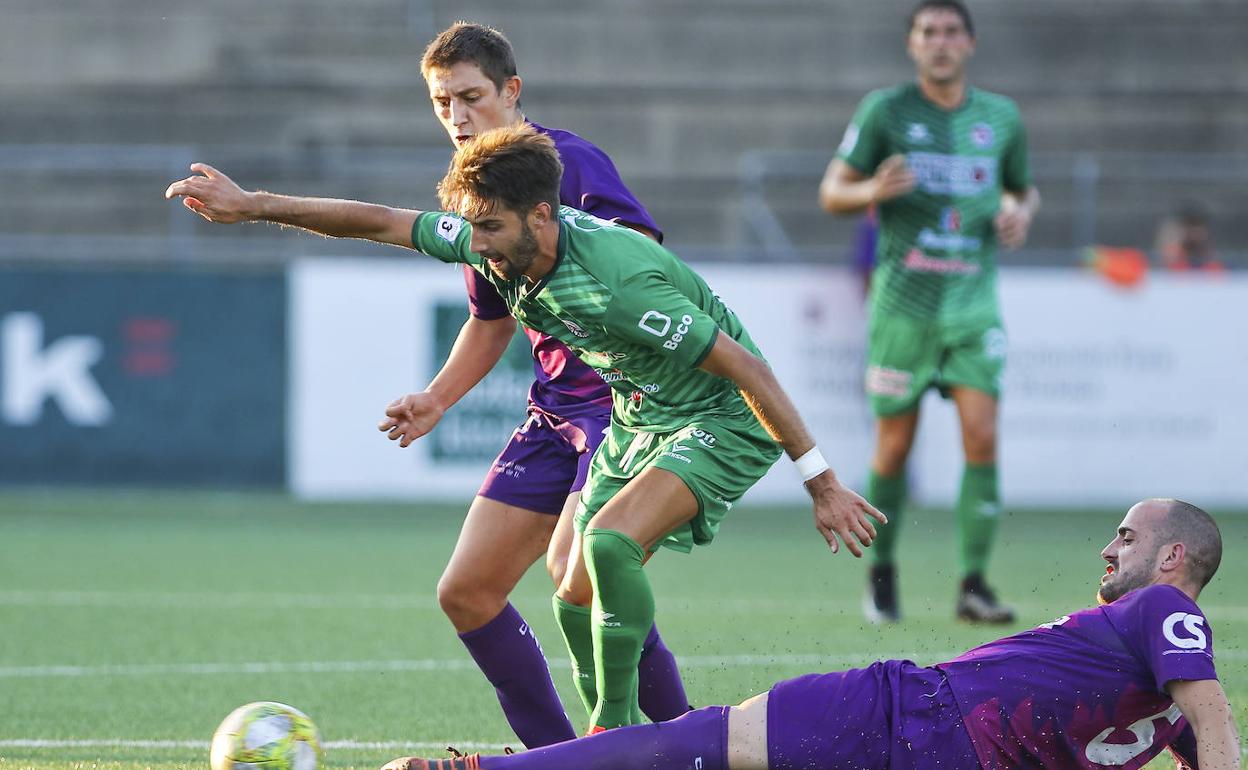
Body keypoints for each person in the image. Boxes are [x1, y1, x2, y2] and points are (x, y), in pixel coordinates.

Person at [164, 124, 885, 732]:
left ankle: (613, 733)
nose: (476, 246)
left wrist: (820, 481)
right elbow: (379, 220)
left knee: (608, 544)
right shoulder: (492, 235)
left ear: (542, 215)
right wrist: (253, 204)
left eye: (490, 229)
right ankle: (620, 736)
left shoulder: (617, 281)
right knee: (571, 589)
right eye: (470, 228)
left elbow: (750, 371)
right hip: (641, 415)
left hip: (721, 418)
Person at [378, 497, 1237, 770]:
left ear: (1173, 559)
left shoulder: (1167, 614)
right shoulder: (1162, 668)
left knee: (694, 743)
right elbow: (1208, 736)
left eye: (1126, 536)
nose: (1106, 545)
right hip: (926, 726)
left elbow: (1216, 725)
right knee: (699, 745)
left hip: (918, 718)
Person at [399, 22, 691, 746]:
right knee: (466, 593)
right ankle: (557, 759)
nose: (458, 117)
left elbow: (642, 266)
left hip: (626, 408)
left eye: (471, 97)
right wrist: (437, 397)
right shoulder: (475, 195)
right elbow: (490, 321)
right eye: (442, 103)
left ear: (512, 92)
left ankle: (688, 743)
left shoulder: (571, 165)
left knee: (583, 580)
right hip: (555, 411)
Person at [818, 0, 1042, 624]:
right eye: (928, 33)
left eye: (950, 32)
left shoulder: (1000, 117)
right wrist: (872, 190)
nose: (940, 43)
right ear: (913, 46)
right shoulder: (885, 111)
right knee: (893, 450)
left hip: (972, 305)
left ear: (969, 43)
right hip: (903, 310)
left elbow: (1022, 188)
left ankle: (973, 583)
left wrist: (1020, 211)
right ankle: (882, 569)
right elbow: (832, 190)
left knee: (983, 437)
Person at [1156, 202, 1226, 273]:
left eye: (1197, 227)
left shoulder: (1213, 264)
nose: (1193, 233)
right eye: (1189, 226)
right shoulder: (1169, 260)